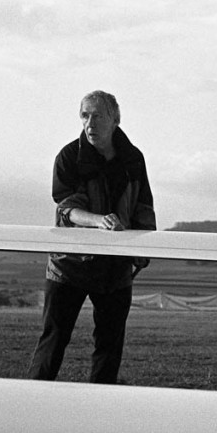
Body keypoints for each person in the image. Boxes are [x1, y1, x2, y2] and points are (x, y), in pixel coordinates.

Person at [27, 90, 156, 384]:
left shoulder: (133, 158)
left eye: (97, 115)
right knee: (54, 340)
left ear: (115, 120)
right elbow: (67, 210)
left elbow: (143, 208)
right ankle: (29, 404)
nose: (90, 123)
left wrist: (142, 252)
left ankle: (102, 410)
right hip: (68, 265)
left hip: (115, 269)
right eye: (85, 115)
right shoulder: (69, 156)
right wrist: (99, 222)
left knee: (110, 346)